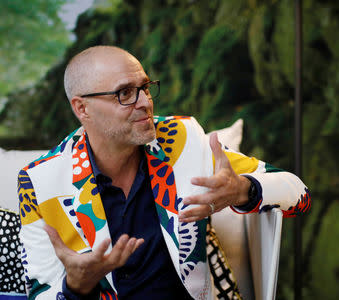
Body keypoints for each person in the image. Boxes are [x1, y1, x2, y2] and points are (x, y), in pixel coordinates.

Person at [18, 46, 311, 300]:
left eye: (145, 87)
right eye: (125, 93)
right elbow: (41, 291)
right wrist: (76, 286)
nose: (145, 102)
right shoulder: (40, 182)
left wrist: (243, 190)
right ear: (82, 108)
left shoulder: (182, 139)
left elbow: (299, 194)